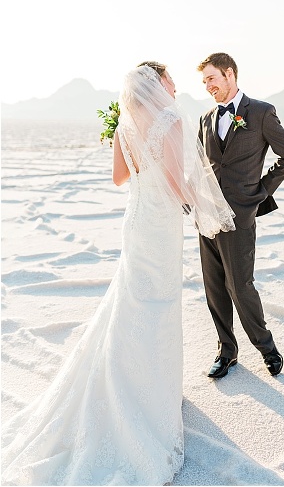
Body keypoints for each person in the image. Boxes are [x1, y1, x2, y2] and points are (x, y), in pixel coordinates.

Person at [1, 63, 236, 484]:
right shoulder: (171, 117)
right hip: (161, 222)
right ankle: (152, 397)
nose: (176, 86)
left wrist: (133, 151)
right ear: (156, 84)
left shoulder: (125, 124)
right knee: (160, 302)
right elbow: (173, 176)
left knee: (133, 299)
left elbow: (118, 178)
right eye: (169, 79)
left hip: (137, 218)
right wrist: (201, 209)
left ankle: (127, 382)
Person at [196, 53, 284, 379]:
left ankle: (266, 347)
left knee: (240, 286)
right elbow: (203, 167)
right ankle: (226, 352)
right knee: (214, 287)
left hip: (240, 215)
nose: (208, 86)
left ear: (229, 74)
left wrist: (258, 193)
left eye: (212, 78)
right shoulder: (205, 119)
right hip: (207, 215)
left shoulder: (261, 112)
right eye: (204, 82)